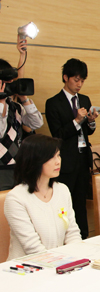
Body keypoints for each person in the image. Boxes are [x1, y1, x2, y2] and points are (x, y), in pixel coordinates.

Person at [45, 58, 100, 239]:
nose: (79, 84)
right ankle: (63, 239)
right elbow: (57, 134)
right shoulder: (53, 102)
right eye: (76, 80)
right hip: (65, 161)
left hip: (83, 159)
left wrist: (90, 122)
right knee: (63, 204)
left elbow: (88, 132)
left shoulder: (84, 99)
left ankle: (83, 238)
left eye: (82, 80)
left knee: (81, 203)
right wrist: (76, 121)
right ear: (65, 77)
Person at [4, 135, 82, 261]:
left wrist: (77, 258)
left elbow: (72, 233)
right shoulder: (16, 198)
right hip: (27, 270)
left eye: (59, 155)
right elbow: (32, 247)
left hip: (61, 265)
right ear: (35, 160)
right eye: (52, 157)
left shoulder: (62, 190)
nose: (58, 161)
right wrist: (63, 263)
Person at [0, 38, 43, 191]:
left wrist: (24, 98)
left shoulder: (16, 107)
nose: (8, 85)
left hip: (17, 169)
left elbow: (37, 123)